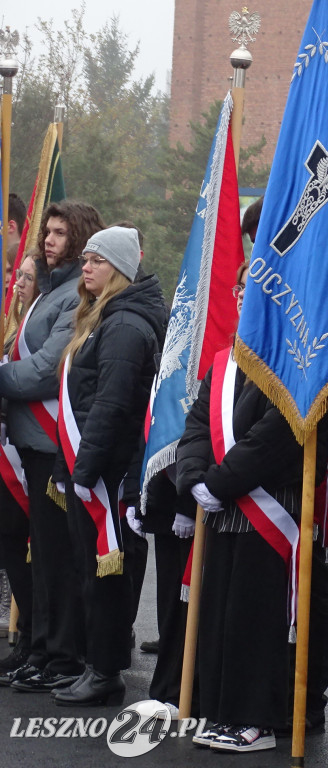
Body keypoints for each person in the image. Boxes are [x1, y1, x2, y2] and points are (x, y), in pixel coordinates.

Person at [49, 226, 165, 706]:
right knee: (93, 572)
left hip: (110, 473)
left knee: (108, 575)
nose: (86, 266)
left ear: (118, 268)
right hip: (99, 467)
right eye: (86, 258)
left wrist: (83, 471)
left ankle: (106, 671)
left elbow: (112, 405)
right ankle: (97, 665)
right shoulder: (107, 316)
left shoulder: (124, 325)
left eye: (97, 260)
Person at [0, 201, 103, 692]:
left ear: (81, 238)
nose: (49, 239)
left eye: (60, 232)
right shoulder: (46, 291)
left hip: (52, 444)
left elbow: (45, 369)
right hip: (29, 443)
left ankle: (61, 656)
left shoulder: (73, 297)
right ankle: (40, 649)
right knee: (39, 554)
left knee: (57, 558)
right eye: (47, 231)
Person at [0, 251, 41, 665]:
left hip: (25, 455)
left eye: (27, 276)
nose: (18, 283)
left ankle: (33, 635)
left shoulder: (37, 327)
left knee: (21, 547)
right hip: (9, 452)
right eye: (16, 275)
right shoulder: (14, 328)